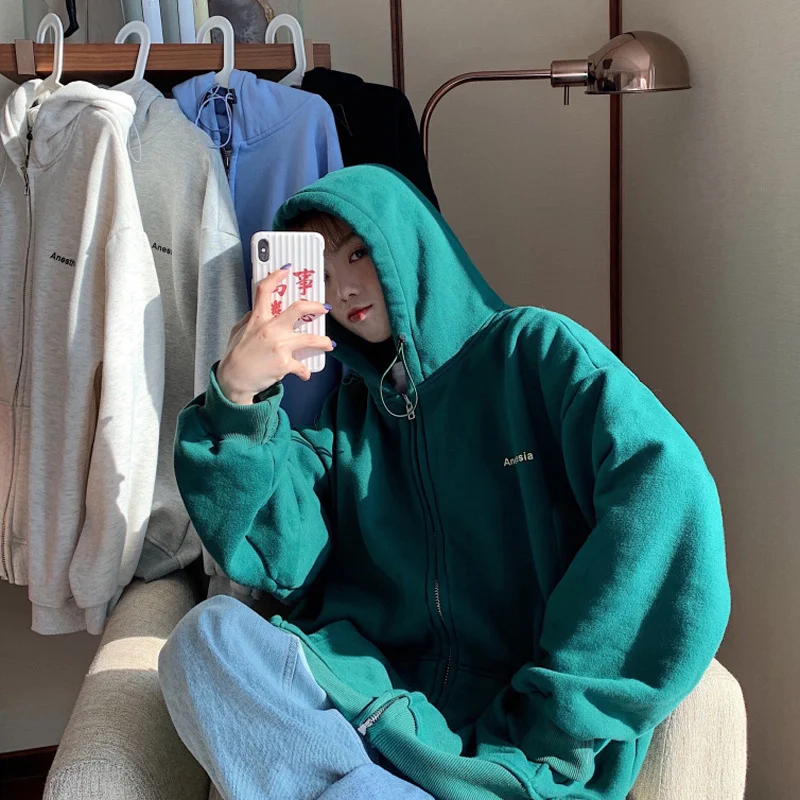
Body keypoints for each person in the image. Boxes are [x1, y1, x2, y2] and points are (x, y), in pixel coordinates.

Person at [161, 165, 730, 800]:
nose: (344, 287)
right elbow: (278, 555)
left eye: (358, 253)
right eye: (321, 270)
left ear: (408, 243)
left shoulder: (535, 355)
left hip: (514, 748)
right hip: (376, 713)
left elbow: (667, 491)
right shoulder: (350, 416)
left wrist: (560, 717)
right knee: (205, 639)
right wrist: (239, 399)